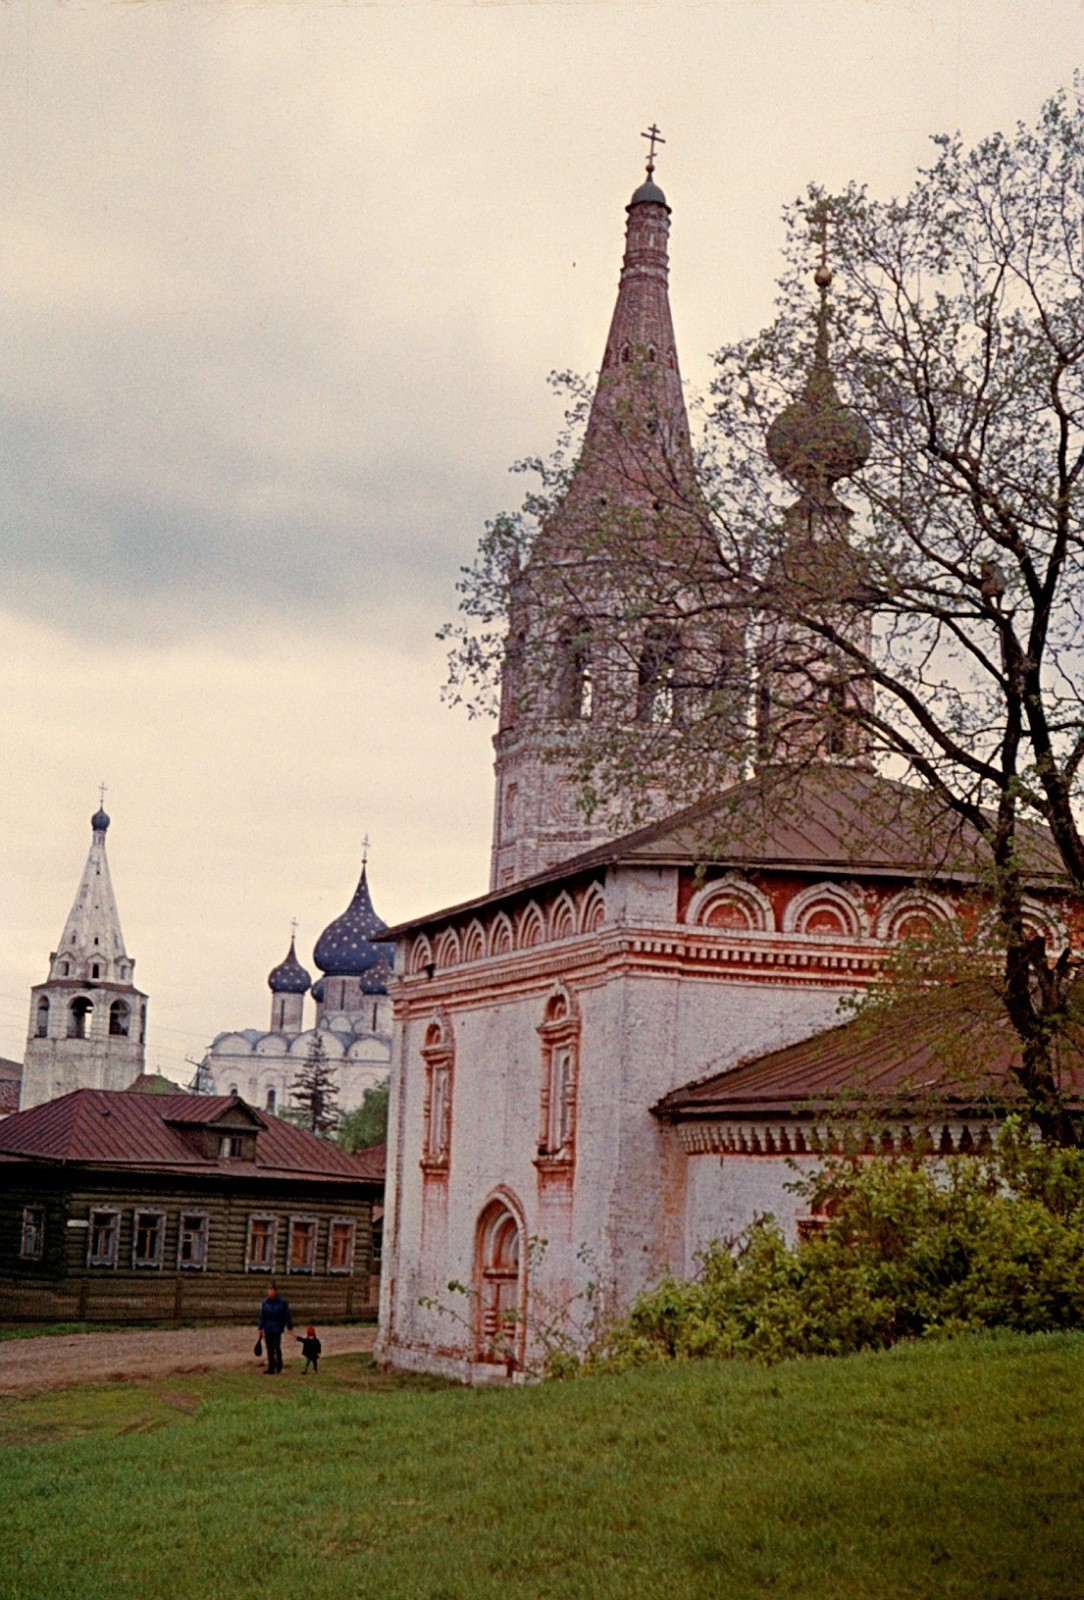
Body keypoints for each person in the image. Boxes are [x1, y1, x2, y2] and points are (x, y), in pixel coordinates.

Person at [257, 1281, 293, 1374]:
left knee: (276, 1346)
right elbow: (262, 1315)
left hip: (277, 1328)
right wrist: (260, 1327)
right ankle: (271, 1367)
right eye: (269, 1291)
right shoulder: (265, 1302)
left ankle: (279, 1364)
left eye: (271, 1291)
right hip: (268, 1327)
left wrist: (289, 1327)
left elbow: (286, 1315)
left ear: (275, 1292)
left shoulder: (282, 1302)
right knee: (269, 1348)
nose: (270, 1293)